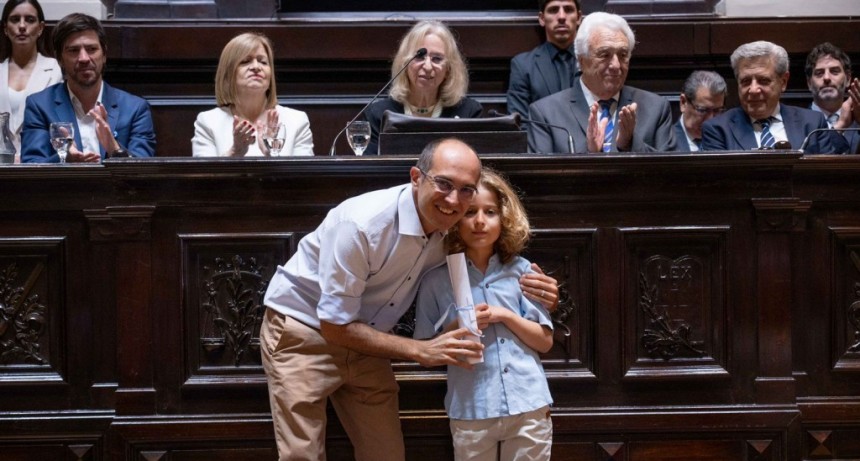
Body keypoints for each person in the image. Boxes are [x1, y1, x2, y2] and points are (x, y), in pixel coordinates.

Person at [260, 138, 559, 461]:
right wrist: (421, 349)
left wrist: (542, 291)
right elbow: (334, 325)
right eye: (443, 183)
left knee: (386, 454)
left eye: (466, 190)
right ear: (416, 177)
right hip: (303, 330)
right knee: (301, 455)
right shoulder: (362, 224)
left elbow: (491, 267)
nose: (454, 200)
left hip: (365, 337)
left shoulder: (453, 229)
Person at [414, 168, 554, 461]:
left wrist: (505, 315)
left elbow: (544, 341)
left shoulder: (524, 272)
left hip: (527, 404)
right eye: (470, 212)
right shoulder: (436, 280)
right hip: (472, 408)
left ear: (504, 218)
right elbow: (426, 349)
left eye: (490, 212)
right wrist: (459, 325)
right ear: (454, 218)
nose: (479, 221)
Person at [527, 12, 676, 154]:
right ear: (581, 60)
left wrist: (629, 144)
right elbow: (542, 178)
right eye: (605, 55)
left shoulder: (655, 109)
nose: (616, 65)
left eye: (623, 55)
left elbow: (671, 173)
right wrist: (590, 153)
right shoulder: (545, 114)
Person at [21, 13, 155, 163]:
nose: (84, 58)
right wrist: (65, 159)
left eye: (91, 49)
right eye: (73, 50)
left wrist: (114, 150)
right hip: (62, 187)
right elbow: (31, 164)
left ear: (104, 55)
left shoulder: (135, 108)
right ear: (60, 59)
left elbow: (144, 170)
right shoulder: (40, 106)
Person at [701, 40, 848, 154]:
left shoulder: (812, 123)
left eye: (763, 80)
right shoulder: (718, 129)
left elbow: (825, 180)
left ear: (783, 82)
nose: (753, 90)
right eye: (745, 81)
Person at [363, 21, 482, 156]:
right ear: (405, 63)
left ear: (449, 69)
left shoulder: (468, 112)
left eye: (437, 59)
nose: (427, 67)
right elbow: (369, 169)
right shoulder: (378, 114)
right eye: (420, 56)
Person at [191, 32, 313, 157]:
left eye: (263, 62)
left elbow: (304, 175)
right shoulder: (208, 122)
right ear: (228, 74)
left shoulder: (297, 121)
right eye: (245, 61)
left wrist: (271, 154)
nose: (256, 67)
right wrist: (235, 152)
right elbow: (205, 175)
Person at [0, 0, 61, 160]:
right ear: (5, 28)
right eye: (15, 19)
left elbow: (55, 122)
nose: (22, 26)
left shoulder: (54, 69)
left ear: (40, 28)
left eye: (29, 19)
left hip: (39, 159)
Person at [506, 0, 583, 119]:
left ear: (578, 18)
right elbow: (520, 123)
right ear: (542, 18)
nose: (561, 17)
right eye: (553, 10)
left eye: (568, 10)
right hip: (541, 137)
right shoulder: (523, 65)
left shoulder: (593, 61)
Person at [805, 42, 859, 154]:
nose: (826, 78)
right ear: (809, 83)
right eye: (819, 73)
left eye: (834, 71)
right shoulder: (795, 123)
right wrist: (841, 125)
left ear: (848, 79)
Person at [675, 70, 727, 152]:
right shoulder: (664, 140)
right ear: (683, 102)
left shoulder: (728, 139)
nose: (711, 120)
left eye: (717, 110)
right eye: (702, 110)